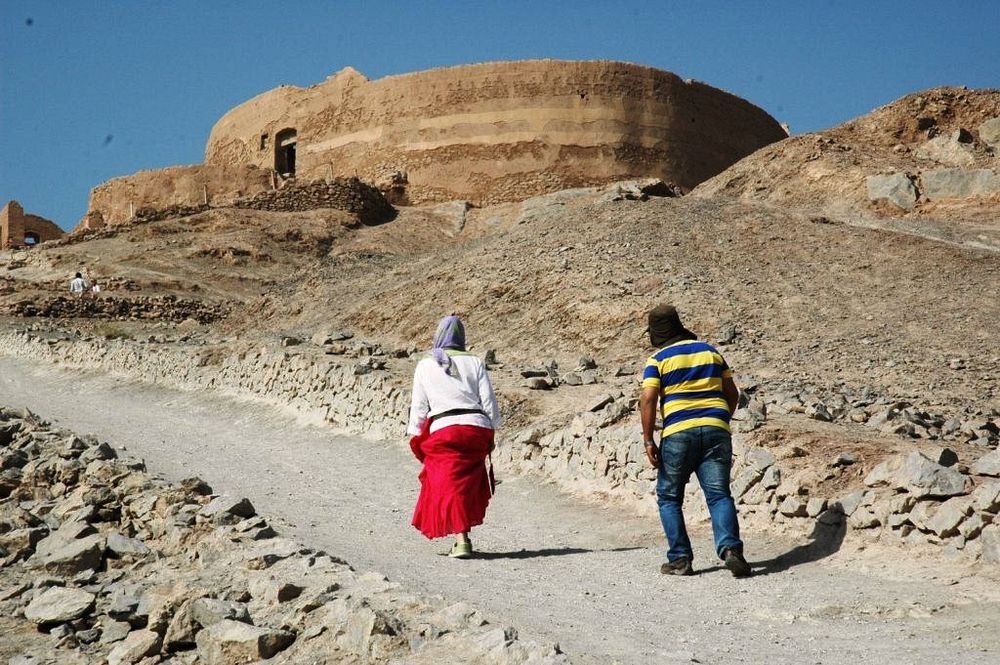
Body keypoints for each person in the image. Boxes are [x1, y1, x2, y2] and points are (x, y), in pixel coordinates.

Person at [639, 304, 751, 577]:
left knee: (668, 497)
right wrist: (721, 419)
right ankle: (731, 551)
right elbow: (733, 393)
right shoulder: (710, 351)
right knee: (718, 494)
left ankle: (680, 559)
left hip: (678, 432)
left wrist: (648, 440)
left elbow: (648, 399)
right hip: (716, 430)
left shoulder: (658, 359)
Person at [407, 315, 502, 559]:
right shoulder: (475, 362)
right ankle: (462, 535)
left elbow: (419, 407)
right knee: (466, 484)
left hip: (445, 432)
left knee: (448, 484)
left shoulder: (425, 365)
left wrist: (415, 434)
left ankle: (461, 539)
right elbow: (488, 401)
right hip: (475, 430)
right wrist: (492, 429)